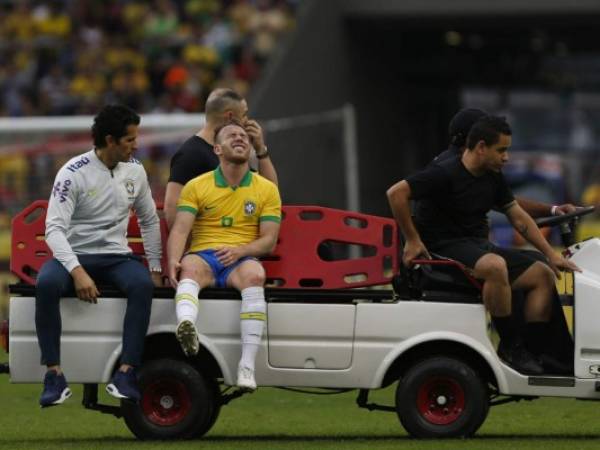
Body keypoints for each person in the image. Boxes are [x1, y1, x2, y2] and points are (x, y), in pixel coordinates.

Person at [387, 115, 580, 375]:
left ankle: (536, 354)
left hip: (475, 246)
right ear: (480, 147)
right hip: (442, 248)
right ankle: (511, 347)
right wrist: (412, 240)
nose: (506, 157)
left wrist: (550, 254)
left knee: (543, 274)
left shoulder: (492, 177)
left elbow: (519, 218)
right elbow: (396, 193)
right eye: (501, 150)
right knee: (495, 266)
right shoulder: (443, 173)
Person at [36, 104, 163, 407]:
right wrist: (78, 272)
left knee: (143, 285)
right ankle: (54, 375)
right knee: (46, 285)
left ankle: (126, 372)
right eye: (130, 139)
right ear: (110, 140)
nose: (136, 145)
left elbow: (149, 220)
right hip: (75, 256)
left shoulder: (135, 171)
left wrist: (156, 267)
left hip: (116, 257)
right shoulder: (72, 173)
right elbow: (53, 229)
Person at [167, 119, 281, 392]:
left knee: (256, 275)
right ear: (217, 149)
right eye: (232, 135)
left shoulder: (265, 188)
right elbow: (181, 229)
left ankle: (247, 366)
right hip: (204, 255)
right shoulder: (196, 186)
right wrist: (172, 259)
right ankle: (186, 324)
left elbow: (269, 241)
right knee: (189, 268)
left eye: (244, 136)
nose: (240, 138)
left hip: (241, 259)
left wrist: (240, 250)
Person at [164, 88, 278, 229]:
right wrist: (192, 249)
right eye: (244, 115)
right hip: (207, 246)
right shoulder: (190, 154)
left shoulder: (234, 152)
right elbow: (171, 210)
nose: (247, 120)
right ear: (230, 117)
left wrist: (261, 149)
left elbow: (271, 194)